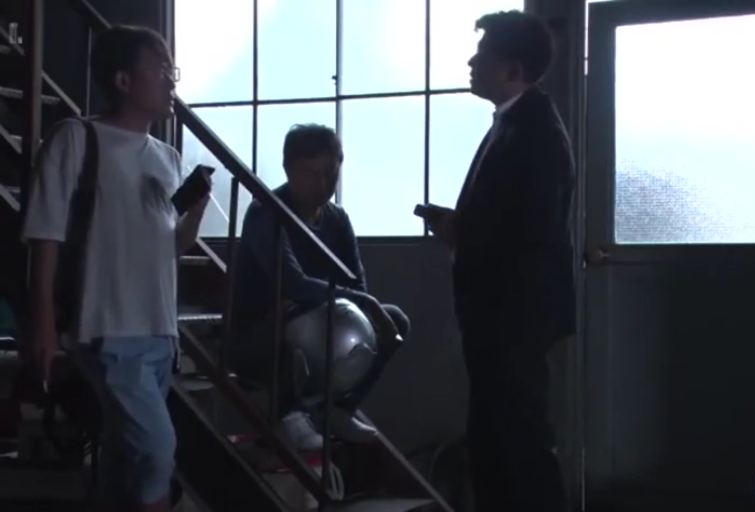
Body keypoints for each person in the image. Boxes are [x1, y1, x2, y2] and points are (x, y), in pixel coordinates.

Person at [23, 26, 208, 512]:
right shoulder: (75, 139)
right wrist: (43, 324)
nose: (171, 80)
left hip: (159, 332)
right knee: (156, 450)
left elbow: (171, 248)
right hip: (105, 327)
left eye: (172, 69)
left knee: (125, 461)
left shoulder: (167, 157)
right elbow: (45, 235)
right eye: (160, 69)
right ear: (124, 80)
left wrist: (195, 213)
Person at [425, 11, 576, 512]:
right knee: (495, 439)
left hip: (514, 317)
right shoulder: (516, 123)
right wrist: (463, 228)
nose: (472, 62)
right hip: (502, 316)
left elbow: (531, 232)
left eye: (482, 53)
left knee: (519, 444)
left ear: (513, 68)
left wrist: (463, 234)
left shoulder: (534, 132)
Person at [231, 123, 408, 452]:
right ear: (288, 169)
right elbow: (292, 283)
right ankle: (289, 414)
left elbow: (357, 282)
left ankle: (339, 408)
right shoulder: (265, 212)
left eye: (331, 172)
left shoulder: (337, 218)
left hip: (321, 322)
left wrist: (361, 303)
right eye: (311, 173)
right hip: (259, 333)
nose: (323, 184)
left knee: (393, 320)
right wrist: (356, 300)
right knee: (289, 317)